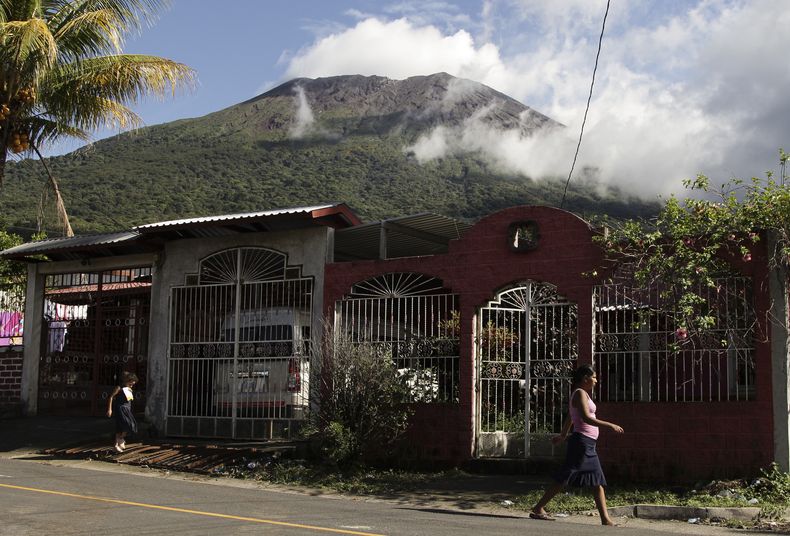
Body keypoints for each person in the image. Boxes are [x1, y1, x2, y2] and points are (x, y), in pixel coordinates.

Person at [530, 364, 624, 526]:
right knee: (566, 476)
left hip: (587, 444)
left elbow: (570, 417)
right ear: (585, 379)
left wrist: (563, 435)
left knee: (596, 481)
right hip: (581, 443)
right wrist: (610, 425)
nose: (596, 381)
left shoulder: (582, 394)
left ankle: (605, 519)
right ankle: (539, 508)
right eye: (594, 377)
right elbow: (586, 418)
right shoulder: (580, 393)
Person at [106, 371, 139, 453]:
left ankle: (116, 446)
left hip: (127, 410)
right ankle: (121, 439)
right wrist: (109, 409)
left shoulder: (128, 389)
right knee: (128, 424)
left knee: (120, 427)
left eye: (133, 384)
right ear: (126, 380)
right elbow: (111, 397)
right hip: (120, 409)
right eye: (131, 383)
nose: (132, 385)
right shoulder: (119, 388)